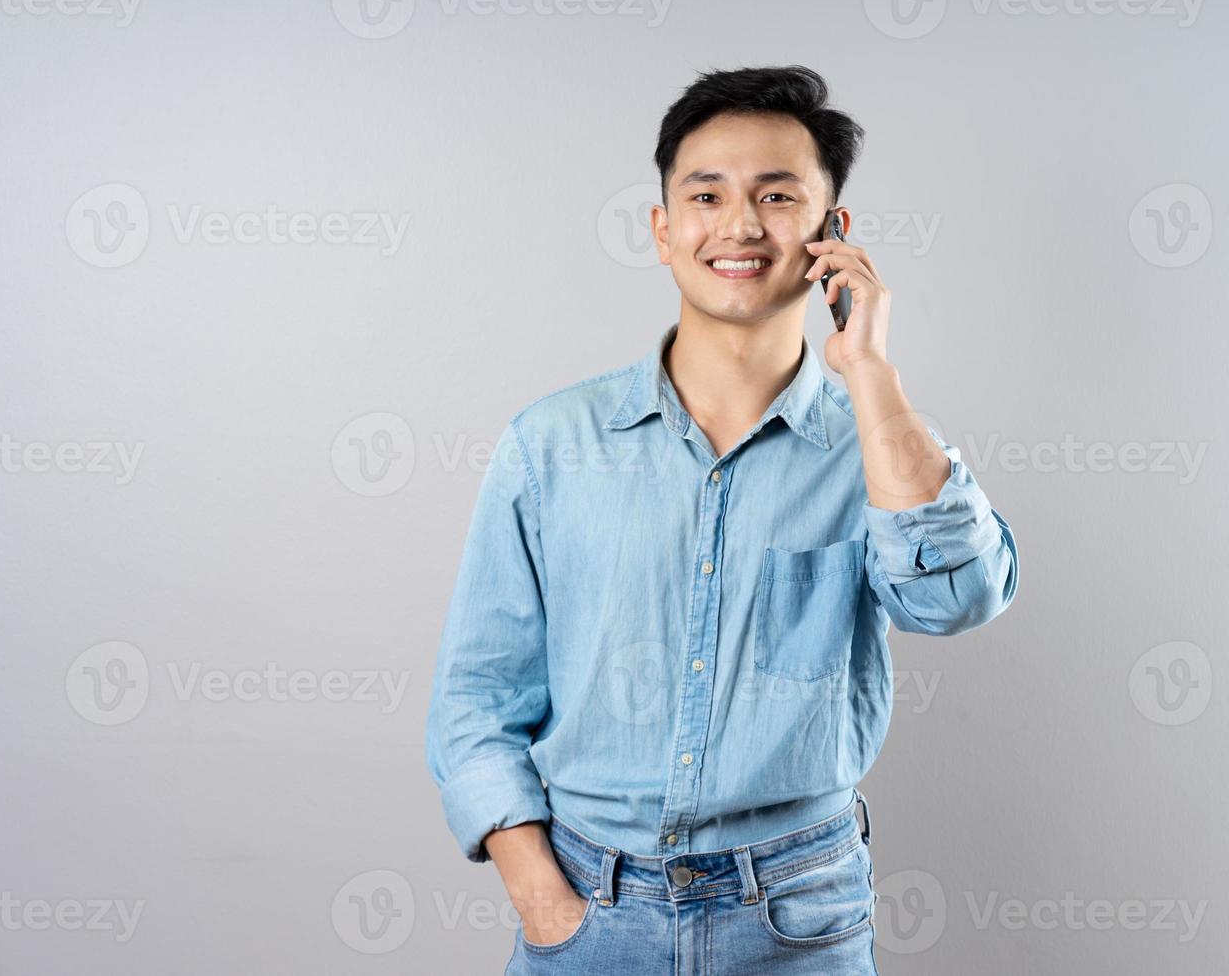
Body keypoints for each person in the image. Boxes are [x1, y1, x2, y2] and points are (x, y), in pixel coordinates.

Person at [425, 63, 1019, 974]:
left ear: (832, 232)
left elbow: (959, 601)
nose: (740, 226)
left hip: (797, 916)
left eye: (778, 196)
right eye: (707, 195)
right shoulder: (552, 445)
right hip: (591, 913)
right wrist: (544, 902)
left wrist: (869, 374)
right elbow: (477, 699)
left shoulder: (877, 445)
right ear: (663, 230)